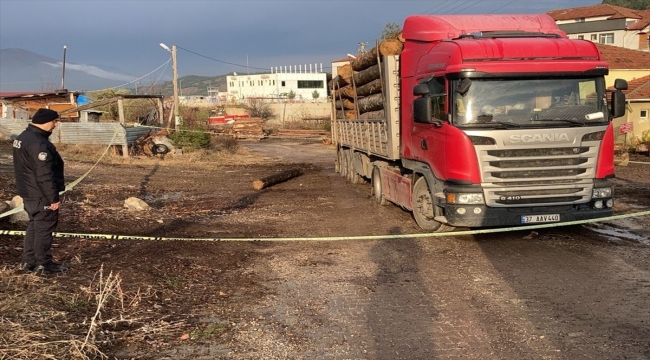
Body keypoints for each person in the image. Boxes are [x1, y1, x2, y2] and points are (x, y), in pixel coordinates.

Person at [13, 108, 67, 274]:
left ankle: (28, 261)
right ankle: (43, 264)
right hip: (40, 194)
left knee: (34, 226)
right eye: (54, 121)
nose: (56, 124)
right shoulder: (39, 143)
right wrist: (53, 198)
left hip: (28, 192)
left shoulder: (22, 137)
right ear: (45, 121)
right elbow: (44, 174)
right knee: (44, 228)